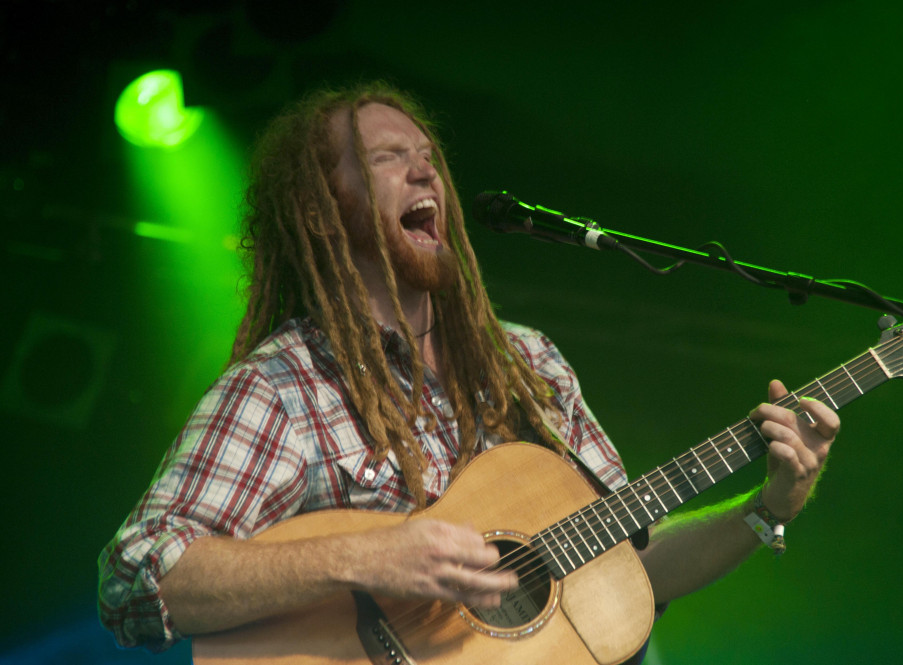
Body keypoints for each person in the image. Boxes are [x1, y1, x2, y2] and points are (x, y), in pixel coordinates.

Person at [98, 81, 839, 662]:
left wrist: (768, 506)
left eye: (428, 154)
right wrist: (370, 557)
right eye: (386, 156)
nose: (426, 166)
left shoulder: (531, 364)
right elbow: (136, 577)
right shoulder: (286, 386)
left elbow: (629, 568)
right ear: (325, 208)